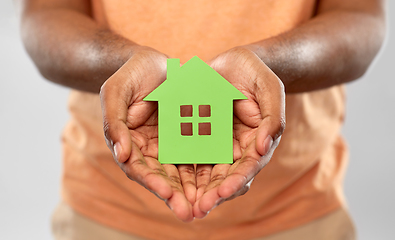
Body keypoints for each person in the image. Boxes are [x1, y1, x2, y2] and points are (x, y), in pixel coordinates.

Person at [17, 0, 385, 239]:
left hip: (298, 211)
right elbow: (46, 15)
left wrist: (268, 65)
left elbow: (359, 18)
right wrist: (124, 65)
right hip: (104, 212)